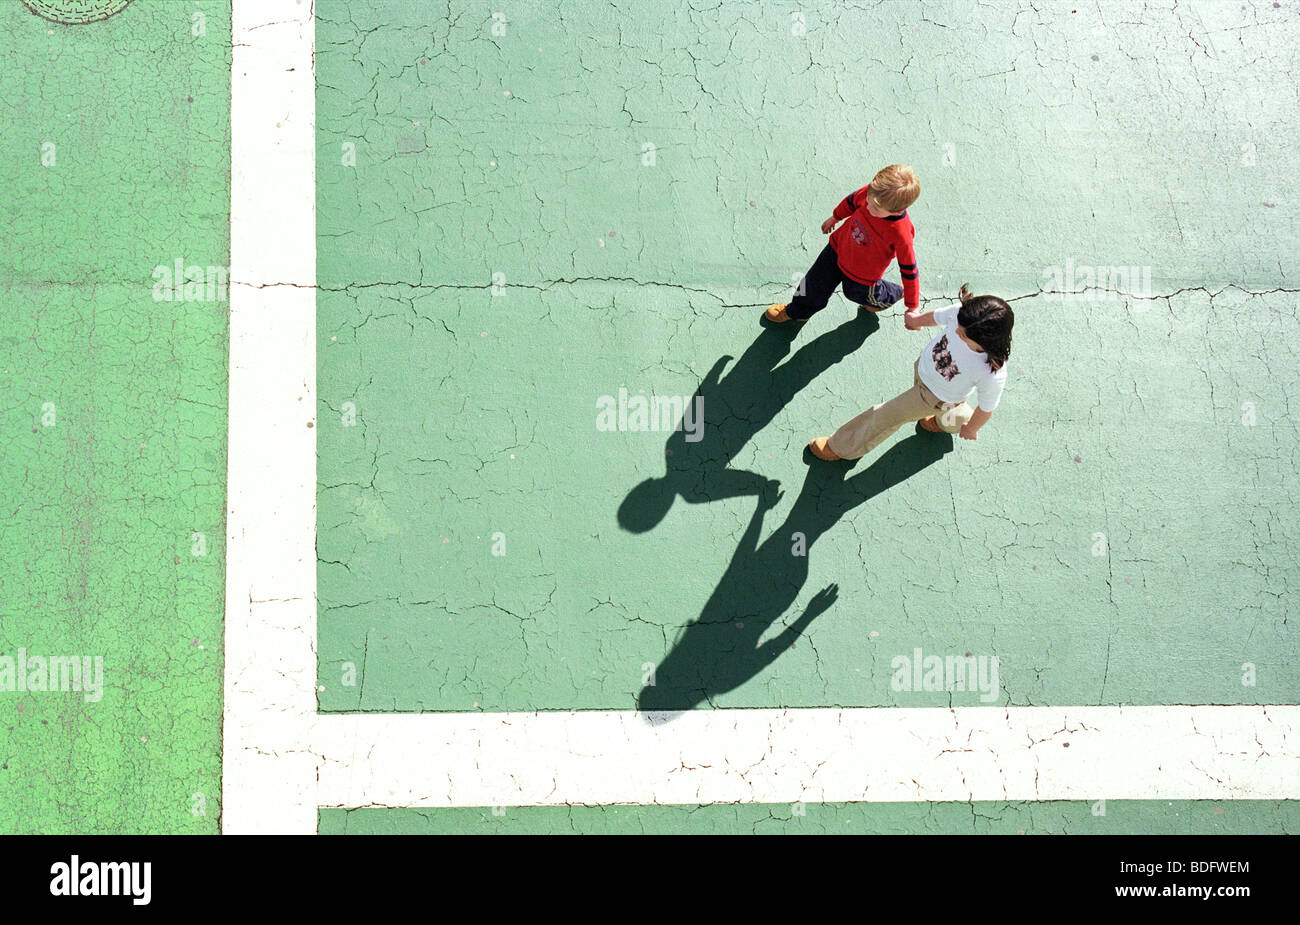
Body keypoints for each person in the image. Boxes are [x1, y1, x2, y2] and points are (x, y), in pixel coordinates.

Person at [808, 286, 1014, 461]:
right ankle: (949, 419)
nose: (956, 333)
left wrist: (972, 429)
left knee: (885, 415)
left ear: (985, 342)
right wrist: (916, 321)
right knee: (951, 412)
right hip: (923, 369)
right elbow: (938, 316)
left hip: (933, 396)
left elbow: (987, 408)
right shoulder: (962, 315)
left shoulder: (990, 371)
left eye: (963, 335)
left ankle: (842, 447)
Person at [765, 164, 920, 325]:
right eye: (868, 199)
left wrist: (912, 306)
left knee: (855, 294)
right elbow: (851, 201)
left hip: (862, 275)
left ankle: (892, 293)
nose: (867, 206)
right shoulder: (873, 194)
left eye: (875, 208)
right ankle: (798, 311)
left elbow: (909, 270)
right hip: (838, 247)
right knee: (813, 283)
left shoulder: (901, 233)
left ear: (896, 211)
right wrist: (835, 217)